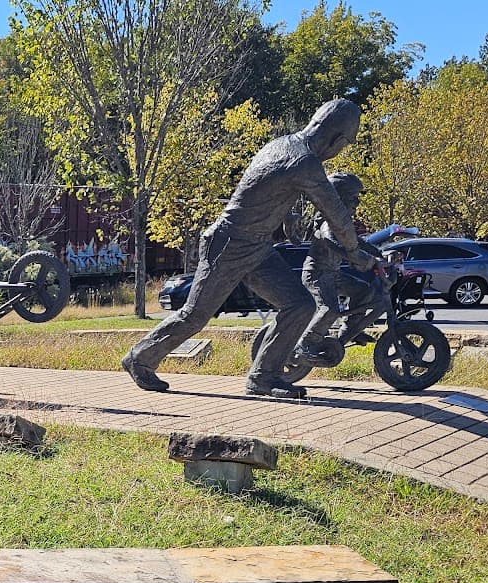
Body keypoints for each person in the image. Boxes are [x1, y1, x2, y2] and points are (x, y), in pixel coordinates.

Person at [121, 99, 373, 399]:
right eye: (344, 144)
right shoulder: (304, 162)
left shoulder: (283, 145)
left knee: (300, 305)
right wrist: (355, 252)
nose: (339, 151)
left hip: (257, 247)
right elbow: (336, 214)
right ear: (334, 138)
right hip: (229, 244)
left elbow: (261, 188)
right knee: (194, 315)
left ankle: (264, 377)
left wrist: (288, 216)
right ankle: (139, 358)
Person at [290, 172, 390, 365]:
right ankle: (303, 345)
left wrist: (379, 254)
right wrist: (363, 259)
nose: (357, 203)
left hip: (332, 274)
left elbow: (357, 241)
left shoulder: (341, 224)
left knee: (364, 291)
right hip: (317, 275)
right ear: (338, 199)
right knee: (330, 310)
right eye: (353, 198)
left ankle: (351, 330)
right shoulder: (327, 223)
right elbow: (334, 243)